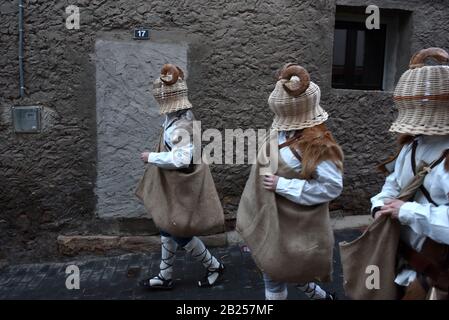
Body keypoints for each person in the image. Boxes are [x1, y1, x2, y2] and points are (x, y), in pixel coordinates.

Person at [237, 64, 344, 300]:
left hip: (292, 225)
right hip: (273, 221)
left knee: (274, 272)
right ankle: (321, 297)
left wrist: (282, 185)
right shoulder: (280, 133)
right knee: (279, 267)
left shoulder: (317, 145)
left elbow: (332, 186)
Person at [136, 64, 225, 290]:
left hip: (180, 184)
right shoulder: (178, 116)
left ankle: (214, 266)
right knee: (167, 227)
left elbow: (182, 159)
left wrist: (151, 157)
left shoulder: (181, 125)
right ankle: (165, 275)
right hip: (174, 184)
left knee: (179, 232)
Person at [371, 47, 449, 300]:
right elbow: (394, 182)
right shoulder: (412, 144)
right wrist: (380, 204)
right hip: (403, 257)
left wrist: (406, 212)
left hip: (438, 271)